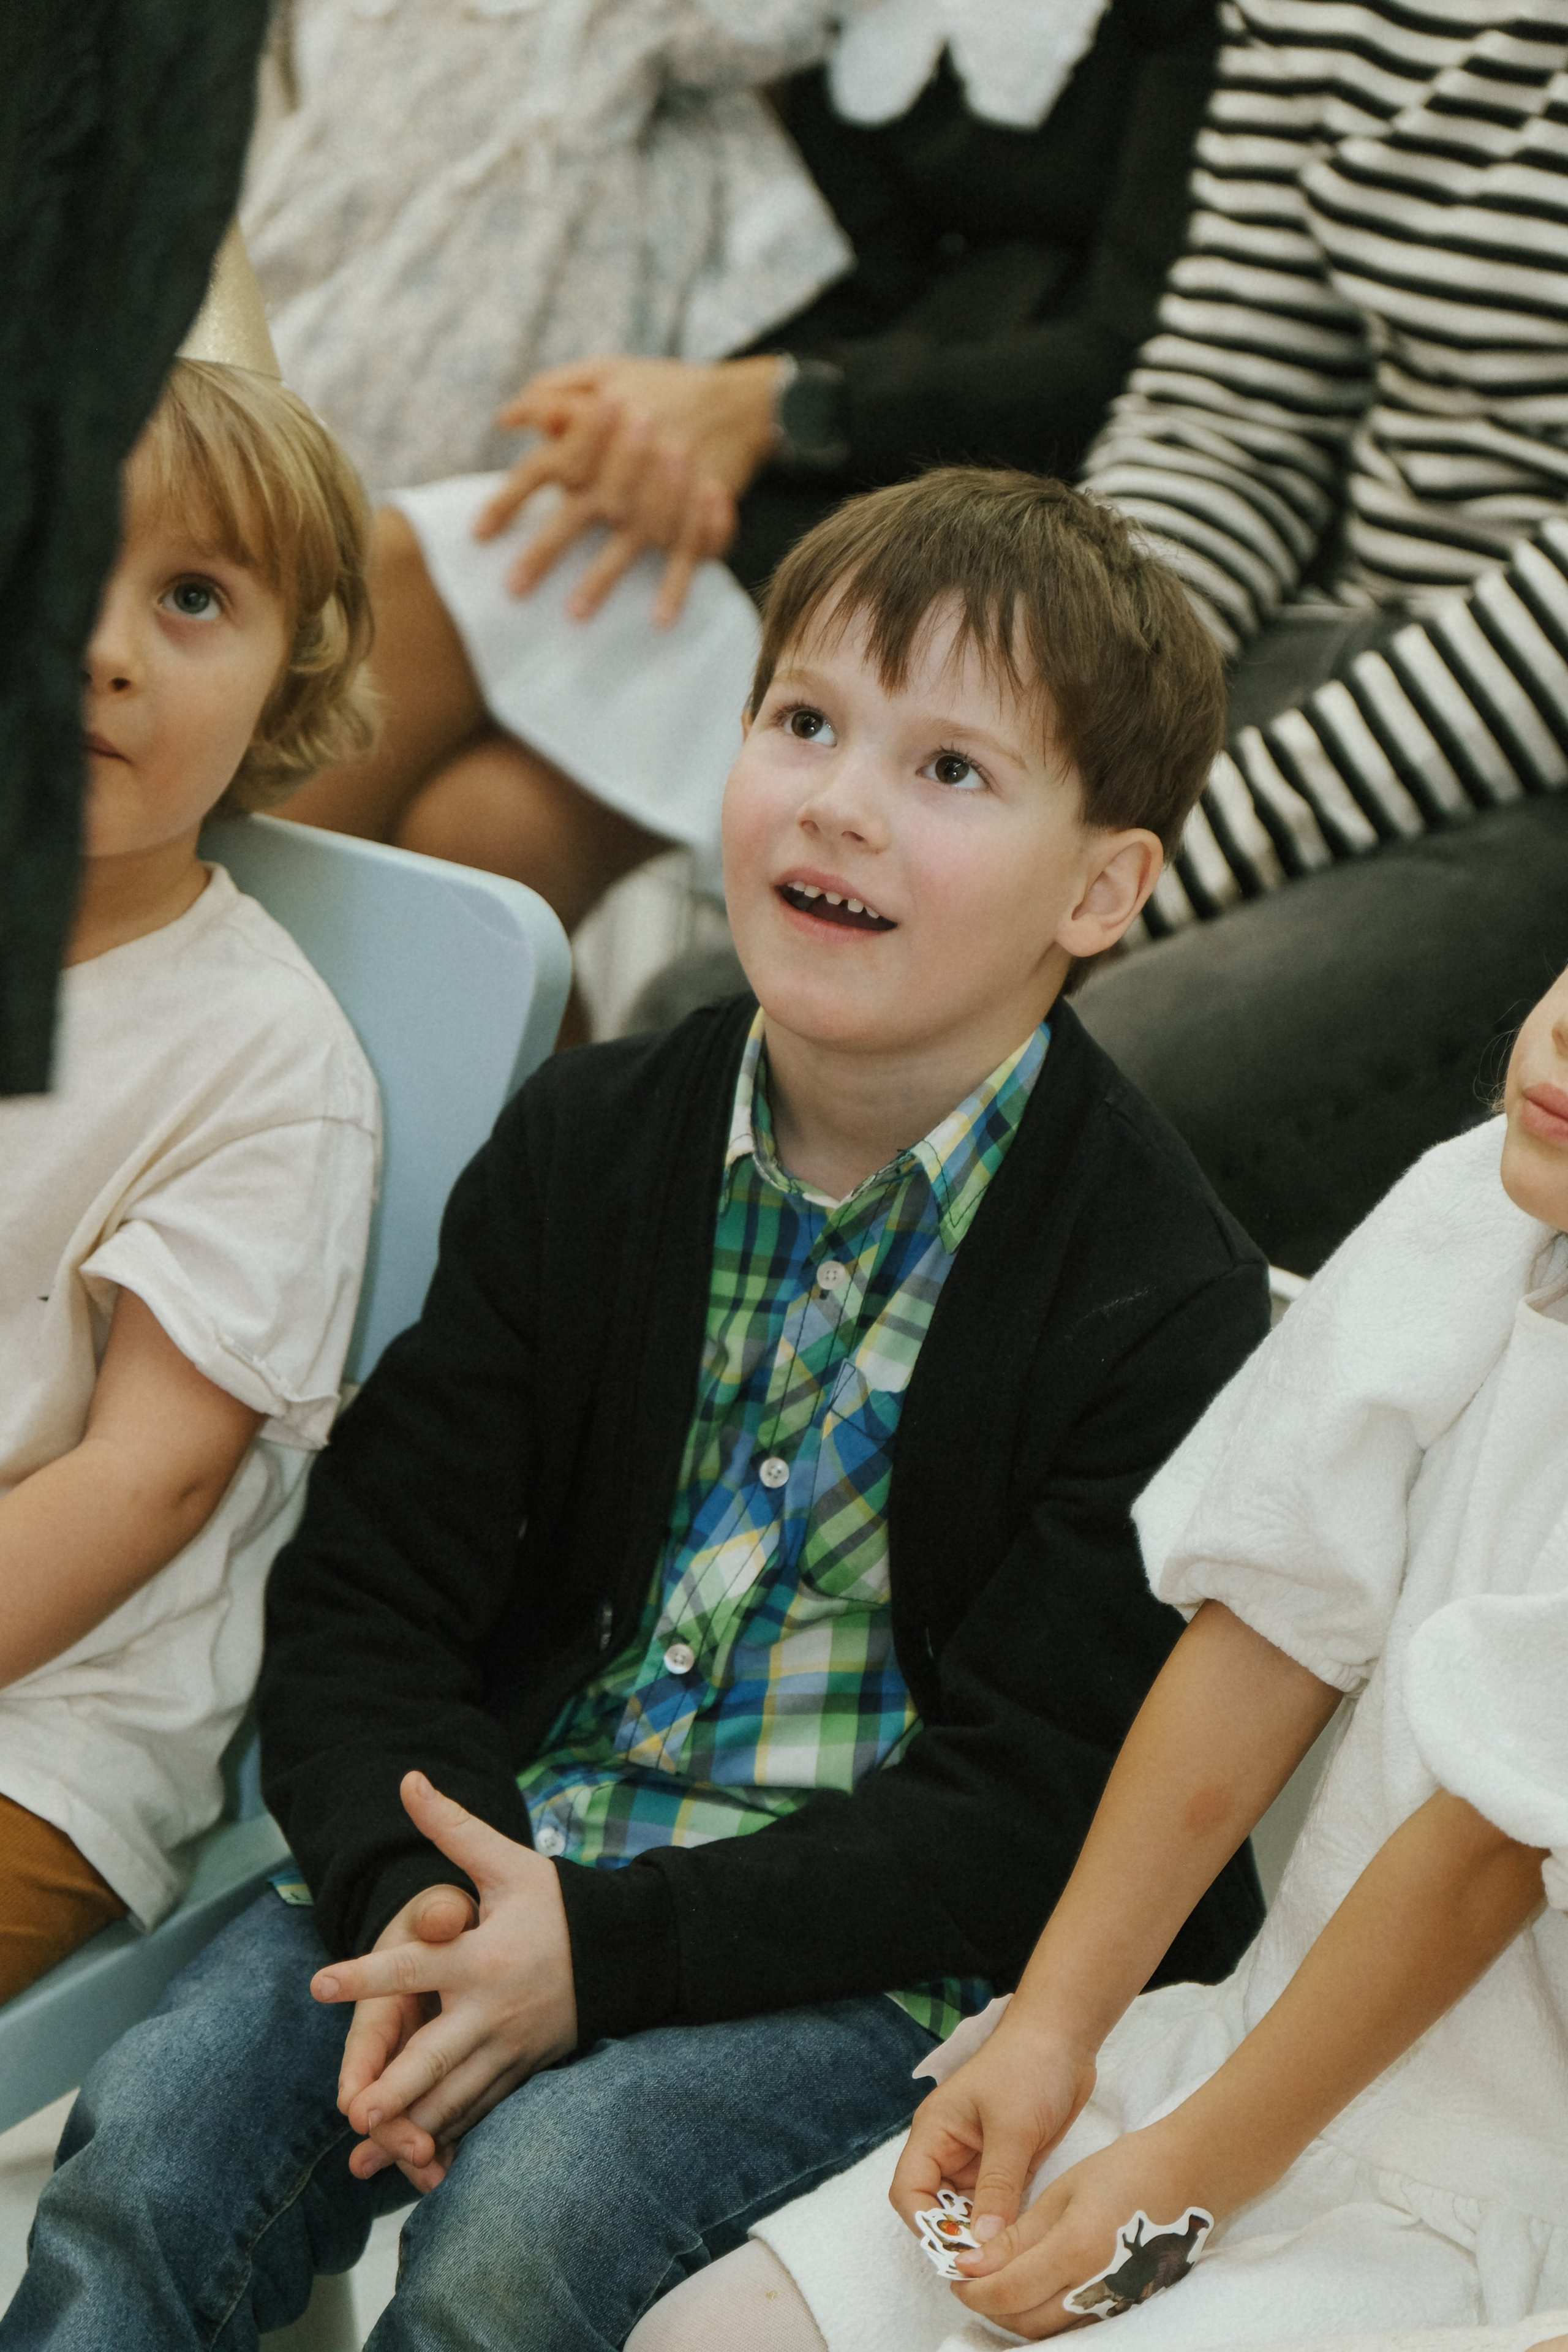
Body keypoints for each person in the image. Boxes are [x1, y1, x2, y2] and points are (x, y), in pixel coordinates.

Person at [1, 467, 1267, 2351]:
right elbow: (373, 1585)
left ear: (1102, 888)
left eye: (949, 772)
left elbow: (1029, 1809)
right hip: (504, 1844)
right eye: (806, 722)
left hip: (873, 1964)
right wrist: (431, 1893)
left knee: (532, 2234)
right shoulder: (595, 1141)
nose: (839, 796)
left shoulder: (1156, 1287)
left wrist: (599, 1959)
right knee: (160, 2145)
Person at [639, 962, 1568, 2352]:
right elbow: (1265, 1629)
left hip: (1497, 2194)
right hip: (1253, 2064)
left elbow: (1479, 1853)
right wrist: (1052, 2034)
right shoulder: (1484, 1197)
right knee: (704, 2340)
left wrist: (1190, 2176)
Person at [277, 0, 1222, 1030]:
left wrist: (782, 403)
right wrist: (684, 414)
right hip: (790, 466)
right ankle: (502, 1174)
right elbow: (823, 271)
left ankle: (168, 1039)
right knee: (476, 817)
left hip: (999, 533)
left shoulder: (1196, 25)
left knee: (451, 700)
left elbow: (1134, 352)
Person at [0, 301, 380, 2001]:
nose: (105, 646)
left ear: (293, 673)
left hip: (42, 1740)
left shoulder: (258, 1059)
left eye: (195, 598)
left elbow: (147, 1479)